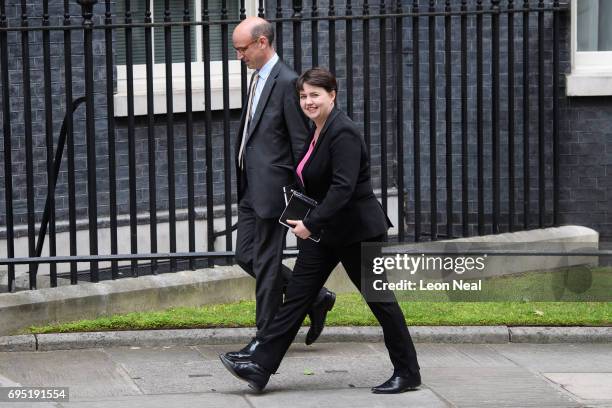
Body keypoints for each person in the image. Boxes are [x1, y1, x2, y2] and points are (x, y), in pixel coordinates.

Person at [220, 67, 421, 393]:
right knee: (297, 298)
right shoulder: (318, 130)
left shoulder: (343, 132)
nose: (308, 101)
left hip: (356, 232)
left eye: (315, 94)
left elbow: (343, 188)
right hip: (325, 234)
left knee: (380, 301)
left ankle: (408, 371)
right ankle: (260, 366)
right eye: (303, 96)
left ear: (332, 94)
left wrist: (310, 222)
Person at [230, 17, 336, 360]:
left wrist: (297, 195)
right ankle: (316, 298)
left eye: (242, 49)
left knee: (264, 262)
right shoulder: (258, 78)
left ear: (262, 43)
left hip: (274, 191)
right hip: (250, 187)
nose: (239, 56)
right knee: (245, 256)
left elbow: (300, 144)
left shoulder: (288, 82)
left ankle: (263, 342)